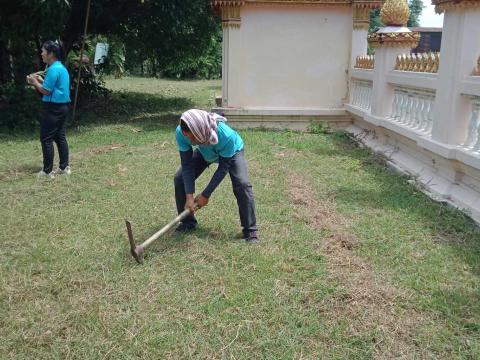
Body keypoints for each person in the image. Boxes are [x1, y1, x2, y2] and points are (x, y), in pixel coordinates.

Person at [174, 109, 259, 243]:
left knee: (242, 184)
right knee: (180, 179)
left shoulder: (226, 136)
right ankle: (187, 223)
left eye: (192, 137)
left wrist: (205, 195)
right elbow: (187, 165)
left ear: (200, 130)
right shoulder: (181, 132)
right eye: (188, 137)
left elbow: (222, 169)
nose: (190, 140)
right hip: (205, 150)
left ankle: (250, 230)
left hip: (232, 152)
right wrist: (189, 196)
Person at [27, 40, 71, 179]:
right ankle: (64, 167)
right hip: (63, 107)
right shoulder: (61, 68)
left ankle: (47, 172)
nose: (41, 54)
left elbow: (46, 91)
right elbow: (53, 87)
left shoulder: (52, 69)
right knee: (60, 137)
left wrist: (34, 82)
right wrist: (38, 80)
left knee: (46, 138)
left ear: (51, 54)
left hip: (53, 108)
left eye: (43, 51)